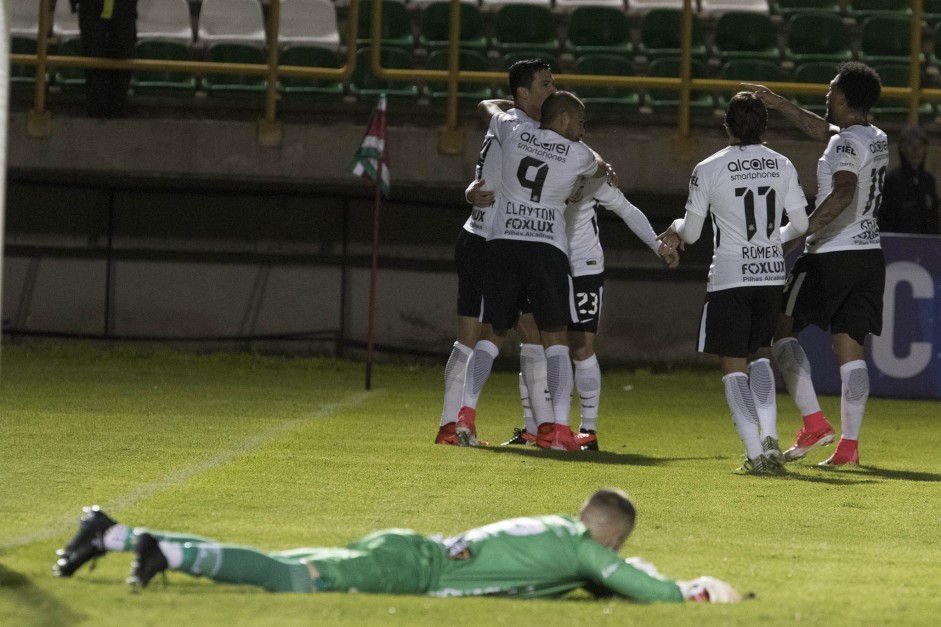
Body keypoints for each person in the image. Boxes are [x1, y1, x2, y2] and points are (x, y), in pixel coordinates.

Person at [52, 488, 741, 603]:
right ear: (608, 533)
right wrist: (692, 590)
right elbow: (633, 583)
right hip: (407, 566)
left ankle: (117, 535)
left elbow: (587, 580)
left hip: (410, 551)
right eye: (616, 545)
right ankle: (157, 551)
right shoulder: (584, 549)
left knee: (281, 564)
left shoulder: (558, 532)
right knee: (292, 581)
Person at [746, 61, 888, 466]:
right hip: (868, 256)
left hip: (831, 255)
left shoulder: (843, 145)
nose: (826, 95)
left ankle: (814, 423)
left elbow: (844, 190)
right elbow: (822, 131)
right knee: (851, 350)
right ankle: (849, 447)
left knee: (779, 330)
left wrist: (798, 233)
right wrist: (778, 103)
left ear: (843, 98)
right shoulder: (873, 136)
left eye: (830, 90)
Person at [659, 92, 809, 475]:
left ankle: (754, 454)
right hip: (771, 274)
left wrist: (674, 229)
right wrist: (773, 239)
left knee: (732, 366)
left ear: (726, 125)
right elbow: (803, 225)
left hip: (730, 277)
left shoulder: (709, 168)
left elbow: (691, 232)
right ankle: (771, 437)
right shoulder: (782, 163)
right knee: (760, 354)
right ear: (764, 126)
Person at [456, 91, 609, 451]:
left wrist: (515, 107)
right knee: (555, 339)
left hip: (503, 244)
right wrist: (596, 157)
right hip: (545, 249)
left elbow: (488, 108)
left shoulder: (512, 131)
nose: (583, 131)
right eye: (582, 122)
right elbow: (601, 168)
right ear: (566, 119)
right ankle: (556, 429)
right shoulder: (578, 153)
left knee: (493, 333)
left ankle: (465, 415)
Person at [501, 173, 681, 451]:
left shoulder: (589, 170)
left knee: (581, 345)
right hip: (540, 261)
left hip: (582, 265)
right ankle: (533, 428)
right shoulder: (541, 157)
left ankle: (588, 431)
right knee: (531, 339)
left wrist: (657, 246)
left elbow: (625, 209)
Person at [435, 60, 558, 447]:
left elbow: (486, 103)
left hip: (476, 233)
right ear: (523, 93)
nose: (552, 90)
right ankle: (541, 429)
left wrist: (471, 192)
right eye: (545, 84)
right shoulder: (526, 129)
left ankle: (450, 427)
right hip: (498, 243)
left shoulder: (504, 120)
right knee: (522, 331)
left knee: (476, 336)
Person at [70, 0, 139, 118]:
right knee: (94, 64)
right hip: (94, 13)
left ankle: (116, 113)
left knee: (122, 62)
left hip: (122, 13)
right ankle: (97, 113)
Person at [877, 125, 940, 235]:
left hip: (926, 246)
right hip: (898, 245)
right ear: (902, 148)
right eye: (911, 145)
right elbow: (884, 220)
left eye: (920, 145)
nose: (916, 151)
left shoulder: (928, 180)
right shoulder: (891, 180)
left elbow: (933, 219)